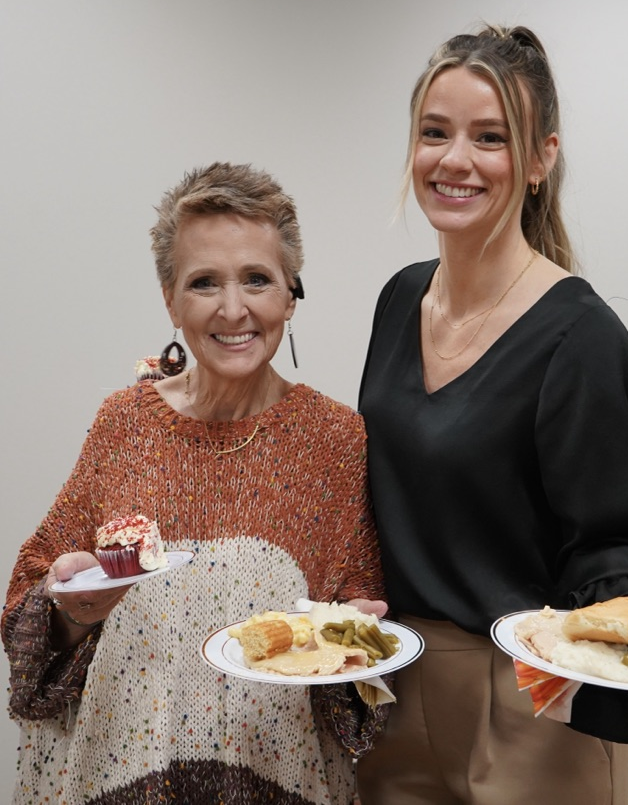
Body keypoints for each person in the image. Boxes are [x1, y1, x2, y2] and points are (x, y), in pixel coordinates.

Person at [356, 24, 628, 805]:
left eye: (490, 138)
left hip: (529, 706)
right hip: (396, 688)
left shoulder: (581, 337)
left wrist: (627, 655)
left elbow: (623, 542)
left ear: (541, 158)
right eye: (434, 133)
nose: (455, 160)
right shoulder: (400, 297)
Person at [2, 162, 387, 805]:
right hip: (120, 782)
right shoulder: (123, 423)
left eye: (257, 280)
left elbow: (357, 659)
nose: (233, 309)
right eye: (204, 282)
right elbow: (26, 612)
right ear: (170, 298)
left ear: (291, 293)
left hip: (274, 784)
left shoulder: (336, 441)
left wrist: (354, 637)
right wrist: (68, 610)